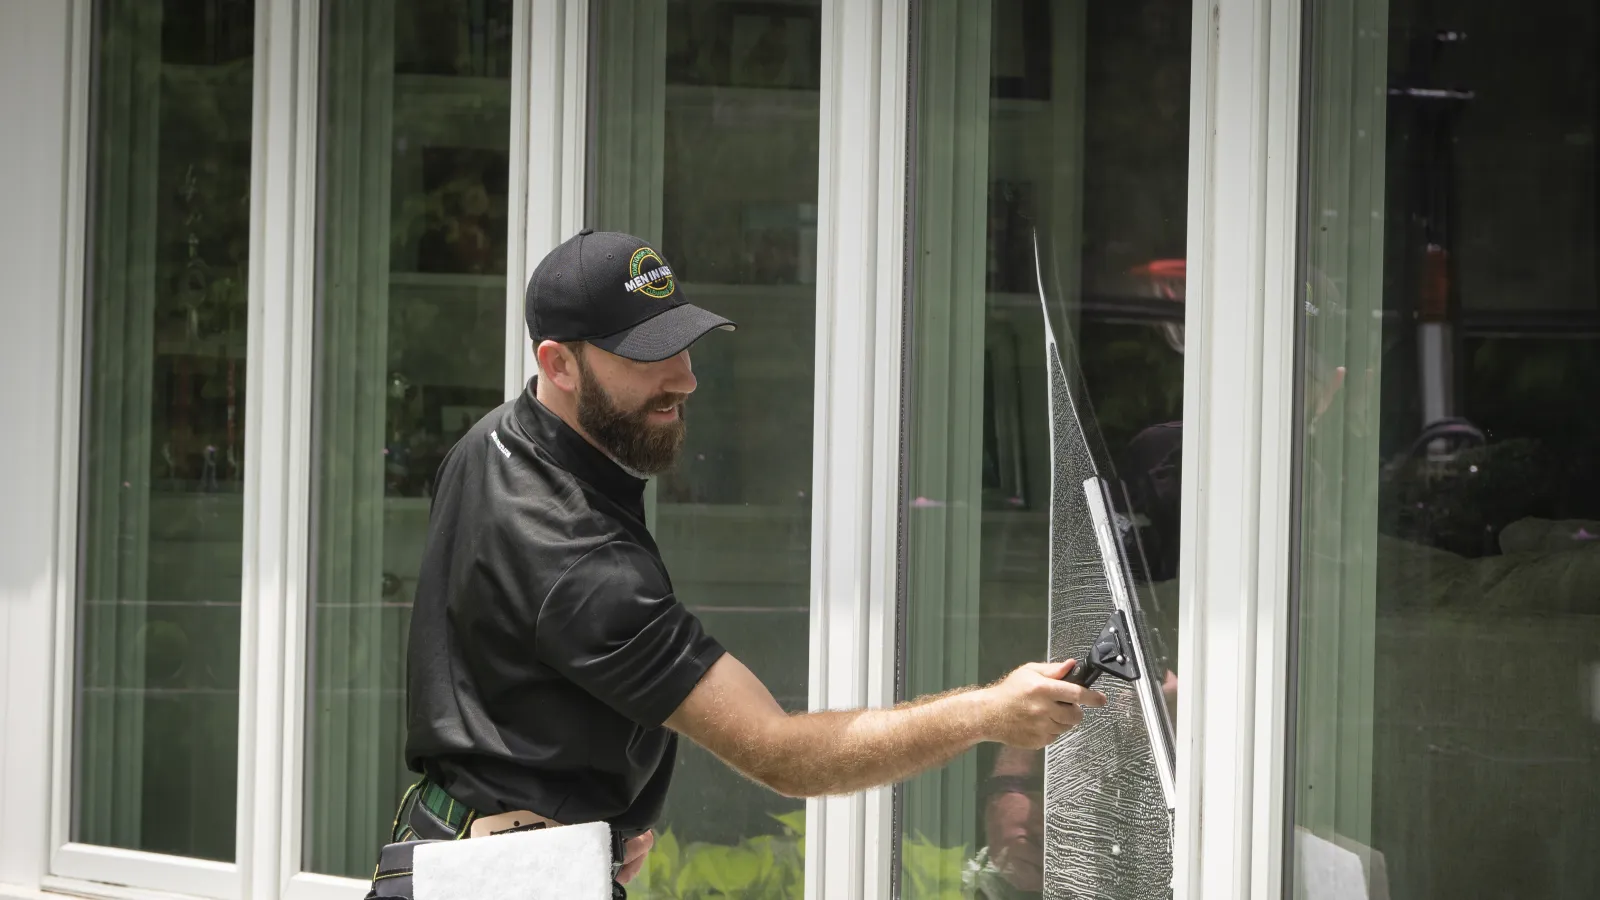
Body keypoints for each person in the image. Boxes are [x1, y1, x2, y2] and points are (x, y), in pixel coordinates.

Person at [385, 230, 1107, 891]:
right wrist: (987, 712)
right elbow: (783, 755)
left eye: (683, 343)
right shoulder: (583, 563)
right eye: (646, 355)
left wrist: (588, 817)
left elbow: (495, 669)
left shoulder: (496, 442)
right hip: (510, 880)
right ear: (559, 364)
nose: (684, 378)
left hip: (460, 851)